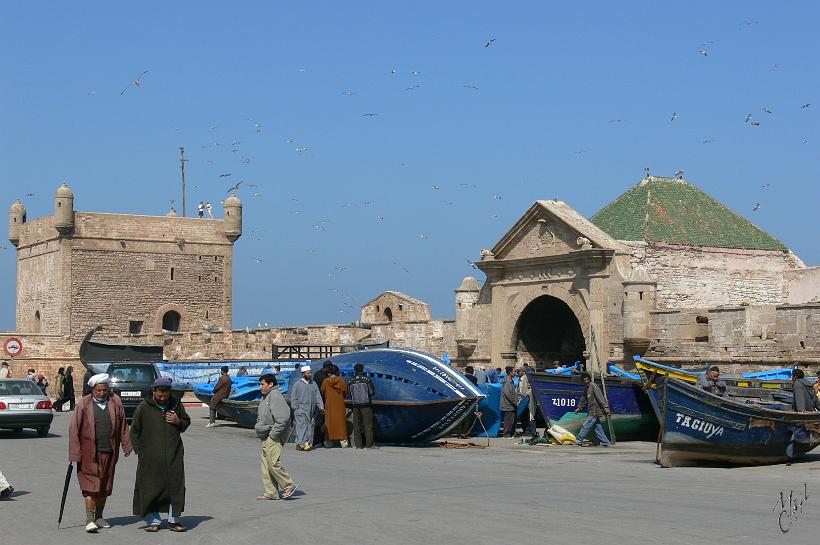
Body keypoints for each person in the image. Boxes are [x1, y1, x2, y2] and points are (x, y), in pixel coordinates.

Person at [69, 373, 132, 533]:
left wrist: (127, 445)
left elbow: (123, 425)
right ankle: (89, 519)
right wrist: (75, 454)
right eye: (98, 390)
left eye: (105, 390)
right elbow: (74, 429)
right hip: (88, 453)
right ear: (92, 389)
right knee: (90, 486)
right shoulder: (84, 403)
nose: (102, 393)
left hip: (109, 451)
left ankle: (99, 517)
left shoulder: (115, 401)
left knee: (104, 485)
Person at [131, 377, 190, 532]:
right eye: (159, 396)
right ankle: (153, 520)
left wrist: (178, 421)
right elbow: (134, 431)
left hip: (173, 454)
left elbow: (185, 423)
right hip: (149, 457)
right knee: (150, 487)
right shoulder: (143, 407)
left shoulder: (176, 404)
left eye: (165, 396)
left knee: (175, 487)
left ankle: (173, 520)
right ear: (154, 392)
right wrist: (140, 451)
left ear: (170, 392)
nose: (163, 399)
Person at [255, 374, 298, 500]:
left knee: (273, 463)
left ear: (271, 384)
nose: (260, 387)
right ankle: (271, 492)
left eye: (262, 384)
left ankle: (288, 485)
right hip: (265, 434)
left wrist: (274, 435)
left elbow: (283, 419)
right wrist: (259, 426)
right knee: (266, 465)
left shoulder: (275, 396)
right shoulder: (265, 397)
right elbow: (260, 415)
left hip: (273, 436)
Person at [288, 366, 324, 451]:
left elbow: (317, 396)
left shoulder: (313, 384)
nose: (310, 374)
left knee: (309, 426)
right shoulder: (297, 384)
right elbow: (293, 398)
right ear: (303, 374)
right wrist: (296, 408)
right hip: (300, 409)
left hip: (311, 410)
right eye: (308, 373)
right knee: (301, 426)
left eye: (310, 373)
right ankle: (301, 443)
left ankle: (306, 443)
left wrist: (321, 406)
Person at [787, 369, 820, 460]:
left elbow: (799, 398)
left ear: (795, 377)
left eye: (792, 377)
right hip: (810, 411)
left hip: (802, 414)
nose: (792, 379)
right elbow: (816, 401)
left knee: (776, 408)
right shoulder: (809, 384)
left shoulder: (797, 384)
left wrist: (801, 411)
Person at [573, 373, 612, 447]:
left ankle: (579, 440)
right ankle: (605, 442)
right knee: (598, 427)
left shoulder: (594, 386)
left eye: (587, 380)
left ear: (589, 379)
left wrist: (605, 407)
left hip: (595, 410)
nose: (586, 381)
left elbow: (600, 397)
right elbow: (583, 399)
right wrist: (579, 407)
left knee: (586, 425)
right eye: (584, 380)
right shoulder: (586, 388)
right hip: (591, 409)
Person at [320, 365, 349, 448]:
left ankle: (328, 442)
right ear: (337, 372)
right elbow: (345, 392)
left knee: (329, 423)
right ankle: (343, 442)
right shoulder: (341, 381)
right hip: (339, 405)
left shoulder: (325, 381)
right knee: (341, 423)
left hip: (329, 405)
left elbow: (322, 391)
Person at [348, 363, 375, 449]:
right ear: (362, 369)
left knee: (356, 425)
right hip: (366, 404)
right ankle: (369, 444)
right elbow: (372, 392)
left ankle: (358, 445)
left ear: (355, 370)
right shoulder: (366, 379)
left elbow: (348, 393)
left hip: (355, 405)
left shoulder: (351, 381)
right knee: (368, 425)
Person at [311, 361, 333, 446]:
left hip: (319, 400)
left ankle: (319, 439)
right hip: (321, 401)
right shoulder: (324, 377)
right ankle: (318, 440)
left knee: (320, 421)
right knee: (320, 421)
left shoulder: (317, 374)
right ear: (328, 367)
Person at [517, 368, 536, 436]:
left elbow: (530, 388)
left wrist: (526, 394)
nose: (517, 373)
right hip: (522, 401)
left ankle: (532, 432)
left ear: (523, 372)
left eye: (519, 371)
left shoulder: (526, 378)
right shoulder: (519, 380)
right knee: (523, 416)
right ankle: (526, 431)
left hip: (528, 399)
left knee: (531, 415)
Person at [500, 367, 518, 438]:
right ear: (510, 372)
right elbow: (507, 394)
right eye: (514, 371)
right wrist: (514, 401)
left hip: (511, 404)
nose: (515, 373)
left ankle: (511, 433)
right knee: (508, 420)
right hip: (508, 404)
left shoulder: (511, 381)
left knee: (512, 420)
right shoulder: (507, 382)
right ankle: (506, 434)